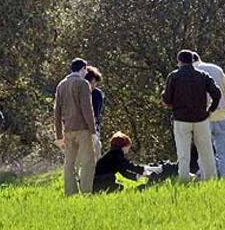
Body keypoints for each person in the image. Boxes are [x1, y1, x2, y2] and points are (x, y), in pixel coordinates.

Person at [162, 50, 221, 181]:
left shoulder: (174, 76)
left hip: (181, 119)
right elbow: (217, 93)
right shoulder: (202, 75)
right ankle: (211, 179)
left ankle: (184, 179)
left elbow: (167, 99)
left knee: (183, 154)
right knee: (206, 152)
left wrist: (164, 94)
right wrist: (210, 109)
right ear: (193, 61)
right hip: (201, 118)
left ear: (179, 62)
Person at [54, 58, 98, 196]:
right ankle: (86, 191)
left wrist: (59, 135)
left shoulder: (61, 85)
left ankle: (70, 192)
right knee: (87, 162)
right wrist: (93, 131)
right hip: (83, 129)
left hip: (68, 130)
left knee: (69, 163)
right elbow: (87, 109)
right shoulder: (83, 84)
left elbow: (57, 112)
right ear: (83, 68)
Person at [193, 53, 225, 178]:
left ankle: (207, 179)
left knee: (204, 153)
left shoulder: (193, 72)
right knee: (223, 153)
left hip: (203, 119)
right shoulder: (217, 69)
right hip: (222, 117)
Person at [93, 131, 162, 193]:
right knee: (112, 178)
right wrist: (146, 169)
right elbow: (129, 166)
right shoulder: (116, 154)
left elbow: (124, 172)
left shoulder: (113, 154)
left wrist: (138, 176)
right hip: (100, 180)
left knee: (119, 188)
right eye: (128, 146)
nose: (129, 148)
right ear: (124, 146)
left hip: (96, 181)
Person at [85, 66, 105, 160]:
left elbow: (97, 112)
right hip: (84, 127)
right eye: (93, 82)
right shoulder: (83, 93)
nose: (94, 85)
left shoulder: (97, 94)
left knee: (96, 151)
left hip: (94, 126)